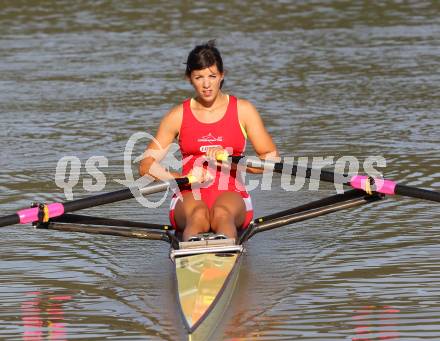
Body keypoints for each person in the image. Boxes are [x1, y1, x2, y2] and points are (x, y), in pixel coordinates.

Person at [139, 41, 278, 242]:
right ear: (189, 79)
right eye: (199, 77)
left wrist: (234, 161)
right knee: (198, 215)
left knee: (221, 213)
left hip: (231, 193)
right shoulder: (177, 116)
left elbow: (271, 158)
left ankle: (222, 251)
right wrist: (179, 177)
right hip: (189, 193)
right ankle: (193, 257)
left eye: (212, 76)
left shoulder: (243, 110)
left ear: (222, 75)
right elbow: (145, 166)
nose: (206, 84)